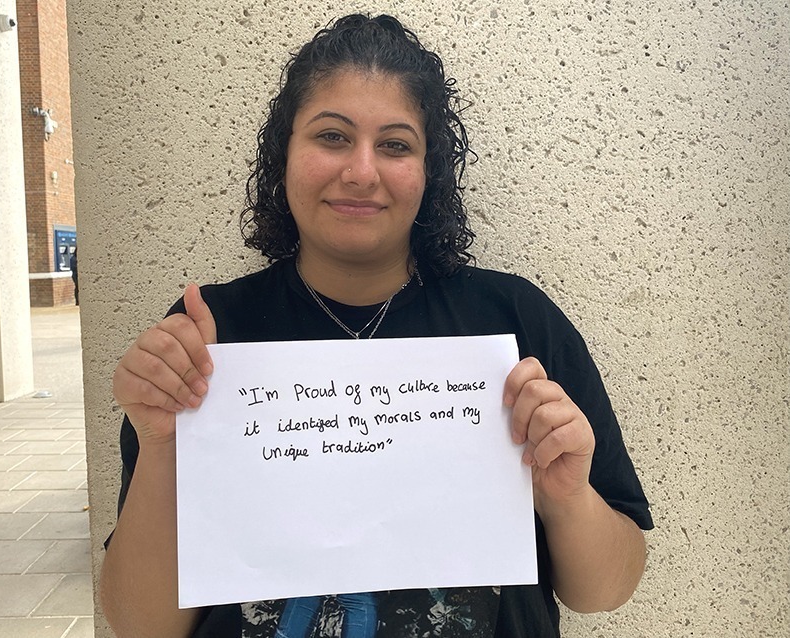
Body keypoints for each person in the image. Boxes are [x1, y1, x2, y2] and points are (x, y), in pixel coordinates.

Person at [100, 14, 653, 638]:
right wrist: (163, 447)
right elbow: (140, 625)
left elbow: (606, 591)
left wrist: (565, 496)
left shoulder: (516, 322)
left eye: (395, 144)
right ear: (284, 157)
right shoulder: (207, 336)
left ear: (429, 171)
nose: (362, 171)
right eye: (332, 137)